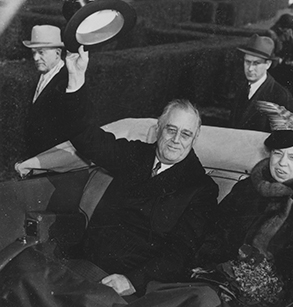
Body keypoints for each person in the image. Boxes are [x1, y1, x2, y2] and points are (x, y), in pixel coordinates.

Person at [2, 52, 219, 306]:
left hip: (129, 286)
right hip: (84, 265)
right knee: (20, 266)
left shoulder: (201, 189)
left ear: (194, 139)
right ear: (159, 128)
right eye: (171, 130)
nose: (176, 140)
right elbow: (87, 138)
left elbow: (179, 255)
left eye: (185, 134)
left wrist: (131, 280)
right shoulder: (135, 154)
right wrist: (76, 79)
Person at [124, 102, 293, 307]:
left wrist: (276, 289)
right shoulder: (247, 188)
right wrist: (218, 266)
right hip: (219, 281)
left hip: (278, 297)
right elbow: (212, 232)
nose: (282, 163)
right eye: (278, 154)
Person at [22, 25, 89, 159]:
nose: (35, 58)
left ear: (57, 53)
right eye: (33, 52)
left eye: (41, 52)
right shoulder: (43, 74)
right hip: (38, 156)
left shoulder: (68, 80)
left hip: (56, 159)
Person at [229, 34, 293, 132]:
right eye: (247, 62)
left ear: (268, 64)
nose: (250, 69)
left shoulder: (281, 96)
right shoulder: (241, 89)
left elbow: (284, 140)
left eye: (256, 63)